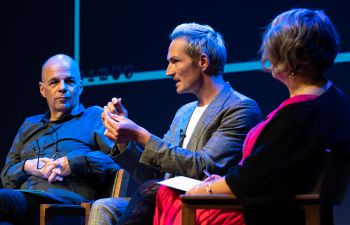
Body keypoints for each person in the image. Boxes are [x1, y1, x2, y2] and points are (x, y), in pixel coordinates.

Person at [153, 8, 350, 225]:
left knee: (169, 195)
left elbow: (252, 181)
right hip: (272, 204)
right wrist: (224, 182)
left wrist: (207, 187)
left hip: (265, 214)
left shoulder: (300, 114)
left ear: (286, 57)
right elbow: (268, 172)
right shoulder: (332, 100)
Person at [89, 23, 262, 225]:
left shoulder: (240, 108)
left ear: (203, 61)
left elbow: (204, 166)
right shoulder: (184, 112)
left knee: (148, 195)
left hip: (204, 206)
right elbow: (152, 174)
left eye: (175, 61)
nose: (168, 71)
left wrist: (141, 136)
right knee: (104, 206)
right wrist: (124, 141)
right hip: (165, 197)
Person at [0, 54, 120, 225]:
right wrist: (27, 167)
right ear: (43, 90)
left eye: (69, 81)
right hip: (23, 203)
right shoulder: (29, 125)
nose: (62, 88)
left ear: (80, 86)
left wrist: (72, 163)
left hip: (65, 207)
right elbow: (5, 178)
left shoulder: (94, 117)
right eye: (54, 82)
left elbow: (117, 160)